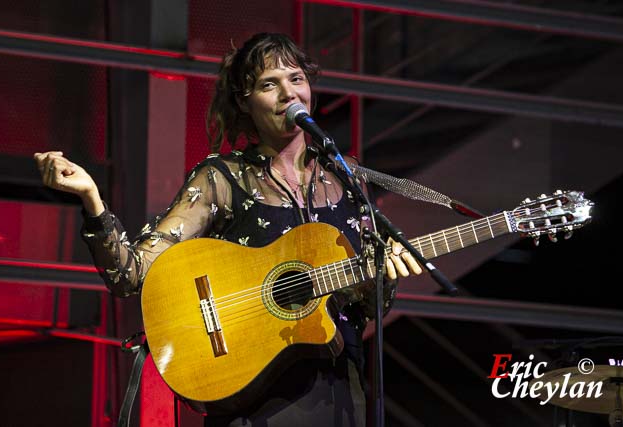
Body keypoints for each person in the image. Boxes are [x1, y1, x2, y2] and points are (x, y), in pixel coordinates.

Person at [34, 32, 421, 427]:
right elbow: (131, 273)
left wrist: (383, 277)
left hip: (343, 393)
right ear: (243, 101)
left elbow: (367, 305)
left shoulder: (346, 174)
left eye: (297, 79)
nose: (289, 93)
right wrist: (91, 200)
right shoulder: (222, 178)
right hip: (253, 401)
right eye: (270, 84)